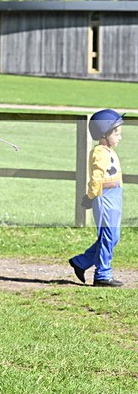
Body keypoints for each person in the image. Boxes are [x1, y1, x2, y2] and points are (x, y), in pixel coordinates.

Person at [69, 109, 125, 287]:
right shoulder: (99, 152)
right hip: (105, 197)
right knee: (108, 236)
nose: (120, 137)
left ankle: (81, 262)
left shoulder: (109, 151)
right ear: (103, 133)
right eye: (116, 133)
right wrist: (91, 196)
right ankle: (102, 274)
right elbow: (96, 178)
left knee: (113, 236)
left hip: (115, 196)